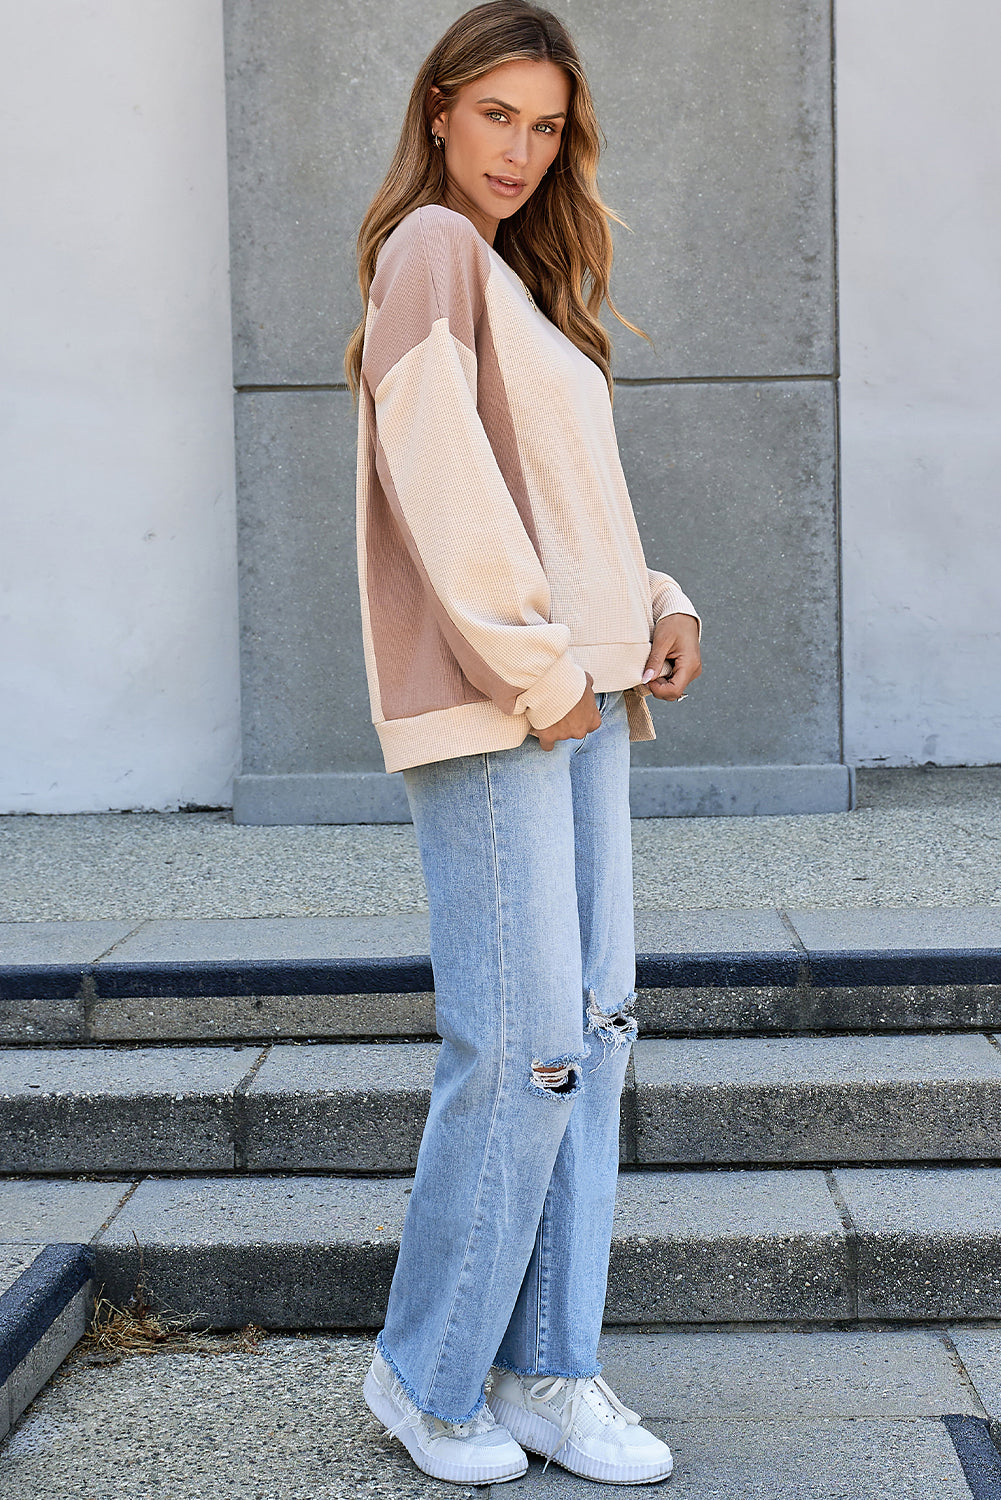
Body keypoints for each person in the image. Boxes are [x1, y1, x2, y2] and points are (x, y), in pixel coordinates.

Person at [346, 1, 702, 1485]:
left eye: (545, 126)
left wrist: (658, 600)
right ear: (439, 110)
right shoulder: (430, 249)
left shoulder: (520, 284)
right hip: (510, 703)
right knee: (525, 1045)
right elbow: (441, 478)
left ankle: (551, 1368)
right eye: (496, 114)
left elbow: (562, 500)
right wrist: (539, 666)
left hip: (579, 696)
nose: (520, 149)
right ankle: (425, 1377)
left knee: (594, 1034)